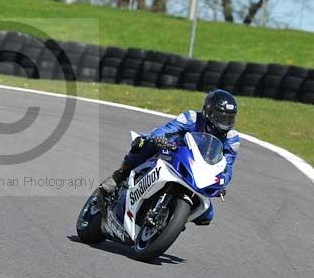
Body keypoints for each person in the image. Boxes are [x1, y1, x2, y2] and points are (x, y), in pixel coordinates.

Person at [98, 89, 241, 225]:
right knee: (143, 144)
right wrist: (159, 139)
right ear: (208, 112)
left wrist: (222, 182)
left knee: (206, 216)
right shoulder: (192, 118)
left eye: (229, 119)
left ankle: (171, 220)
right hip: (171, 152)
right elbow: (166, 129)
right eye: (221, 117)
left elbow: (227, 167)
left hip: (196, 170)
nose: (225, 123)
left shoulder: (232, 139)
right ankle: (118, 177)